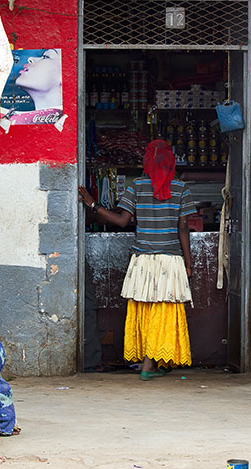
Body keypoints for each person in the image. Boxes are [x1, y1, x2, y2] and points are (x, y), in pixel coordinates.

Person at [79, 139, 195, 380]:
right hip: (170, 260)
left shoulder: (137, 186)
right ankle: (150, 365)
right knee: (165, 312)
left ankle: (151, 361)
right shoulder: (181, 188)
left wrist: (93, 205)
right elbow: (183, 227)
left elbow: (121, 221)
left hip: (143, 260)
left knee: (144, 310)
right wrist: (189, 261)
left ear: (147, 161)